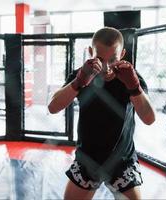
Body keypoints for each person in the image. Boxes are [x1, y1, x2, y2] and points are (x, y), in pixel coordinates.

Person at [48, 27, 155, 200]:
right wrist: (79, 82)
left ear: (122, 54)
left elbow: (149, 119)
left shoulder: (131, 78)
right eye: (100, 59)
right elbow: (53, 107)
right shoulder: (81, 75)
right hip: (88, 159)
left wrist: (134, 88)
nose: (106, 67)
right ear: (90, 52)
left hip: (122, 161)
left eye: (112, 59)